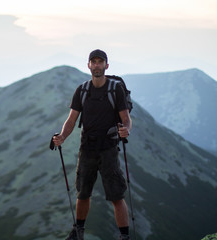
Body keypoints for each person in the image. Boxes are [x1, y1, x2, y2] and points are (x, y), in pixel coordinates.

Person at [52, 49, 132, 240]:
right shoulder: (82, 90)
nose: (97, 65)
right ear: (88, 65)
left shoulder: (115, 89)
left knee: (116, 195)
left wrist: (126, 130)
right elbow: (71, 119)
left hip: (108, 148)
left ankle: (124, 237)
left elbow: (126, 118)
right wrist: (62, 136)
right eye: (93, 62)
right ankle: (78, 232)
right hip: (87, 148)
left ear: (106, 65)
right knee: (82, 193)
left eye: (100, 62)